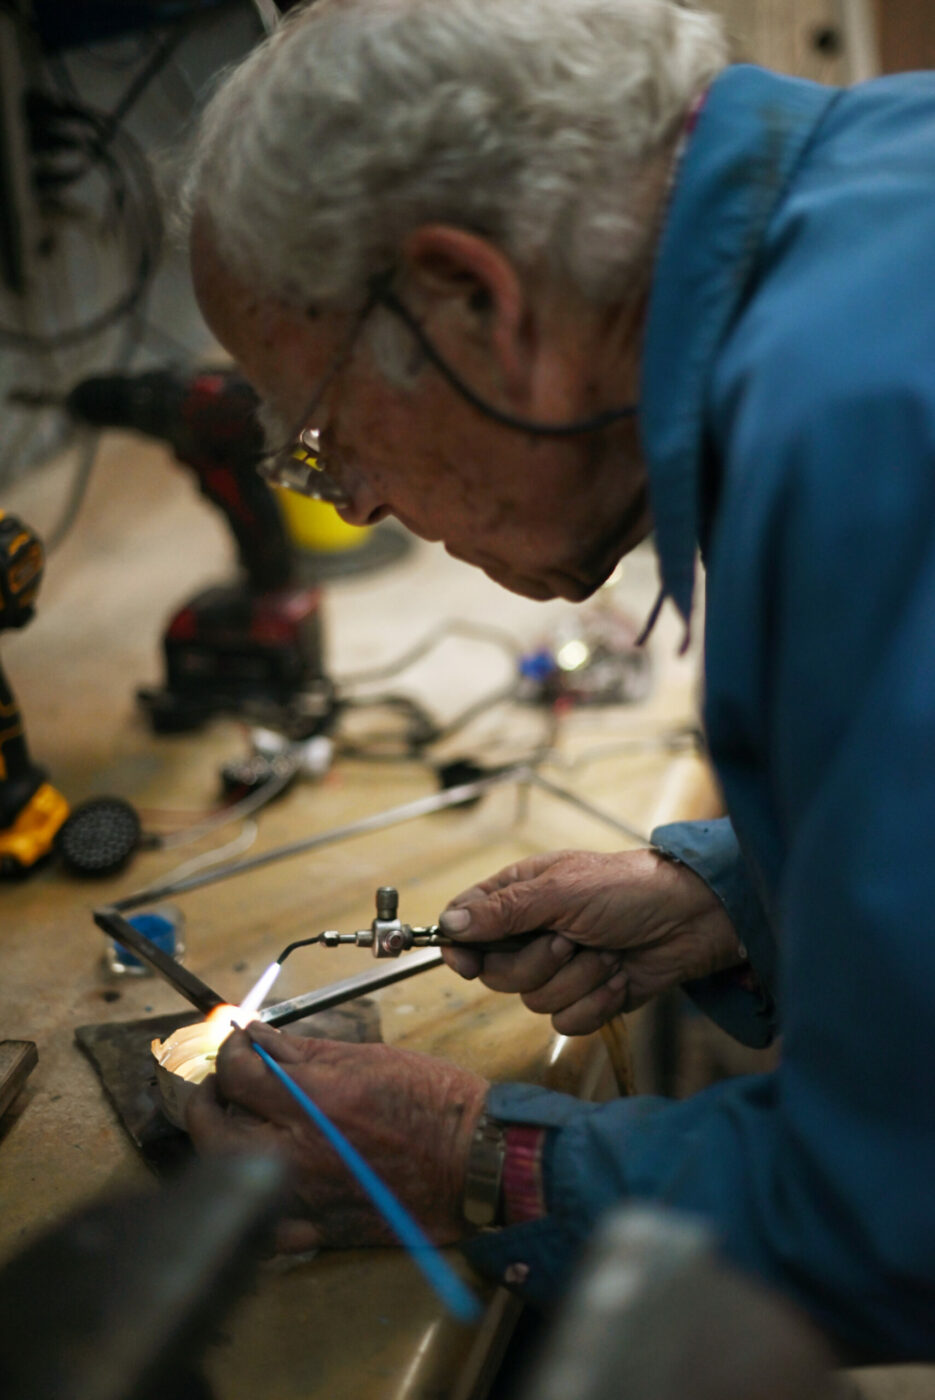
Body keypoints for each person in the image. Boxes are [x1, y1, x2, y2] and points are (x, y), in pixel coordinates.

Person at [183, 0, 935, 1361]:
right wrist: (741, 893)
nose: (349, 507)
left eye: (319, 436)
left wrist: (478, 1158)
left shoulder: (845, 441)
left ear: (476, 299)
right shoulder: (886, 168)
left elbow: (907, 1208)